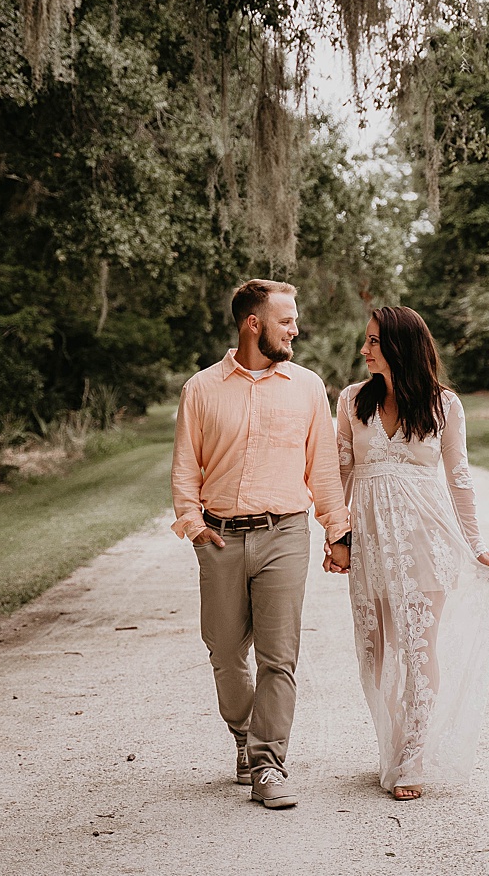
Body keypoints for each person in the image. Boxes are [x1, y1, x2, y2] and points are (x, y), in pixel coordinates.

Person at [170, 278, 350, 810]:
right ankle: (244, 733)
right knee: (225, 653)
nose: (295, 329)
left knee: (279, 658)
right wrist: (193, 525)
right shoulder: (201, 389)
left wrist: (337, 533)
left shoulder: (308, 387)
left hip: (286, 534)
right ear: (255, 323)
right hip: (221, 538)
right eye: (286, 320)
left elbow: (323, 468)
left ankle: (269, 763)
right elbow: (186, 466)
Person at [325, 306, 489, 801]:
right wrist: (337, 537)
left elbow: (459, 478)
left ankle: (414, 756)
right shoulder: (352, 400)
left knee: (418, 647)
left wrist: (476, 544)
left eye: (374, 341)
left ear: (400, 346)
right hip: (374, 543)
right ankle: (395, 741)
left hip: (426, 538)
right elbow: (340, 474)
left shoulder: (445, 406)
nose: (364, 350)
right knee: (377, 653)